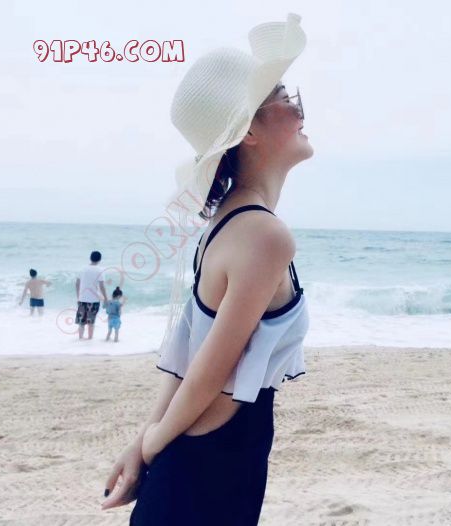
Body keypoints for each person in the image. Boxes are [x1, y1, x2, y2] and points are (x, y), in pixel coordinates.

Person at [101, 14, 312, 525]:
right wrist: (149, 446)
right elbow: (208, 373)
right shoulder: (263, 234)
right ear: (250, 131)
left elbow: (188, 355)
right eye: (285, 97)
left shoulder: (225, 224)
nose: (299, 108)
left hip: (197, 465)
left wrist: (146, 442)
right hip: (211, 473)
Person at [75, 251, 108, 340]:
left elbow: (77, 283)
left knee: (81, 322)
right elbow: (102, 286)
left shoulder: (83, 269)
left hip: (82, 299)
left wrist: (78, 296)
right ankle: (90, 340)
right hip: (94, 300)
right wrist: (106, 298)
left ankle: (80, 339)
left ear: (90, 258)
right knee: (91, 322)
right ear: (99, 259)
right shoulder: (100, 270)